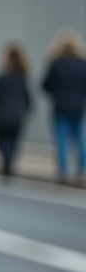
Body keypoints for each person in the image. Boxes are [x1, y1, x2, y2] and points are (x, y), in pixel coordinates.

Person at [41, 28, 86, 186]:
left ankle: (62, 173)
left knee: (61, 141)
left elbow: (45, 85)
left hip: (60, 107)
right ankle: (81, 172)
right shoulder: (83, 64)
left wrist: (58, 93)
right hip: (78, 108)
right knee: (80, 140)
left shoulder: (56, 64)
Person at [0, 42, 31, 178]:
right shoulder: (21, 77)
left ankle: (6, 163)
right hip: (17, 116)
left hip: (1, 115)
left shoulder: (2, 77)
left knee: (2, 141)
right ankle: (9, 162)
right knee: (13, 142)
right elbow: (27, 98)